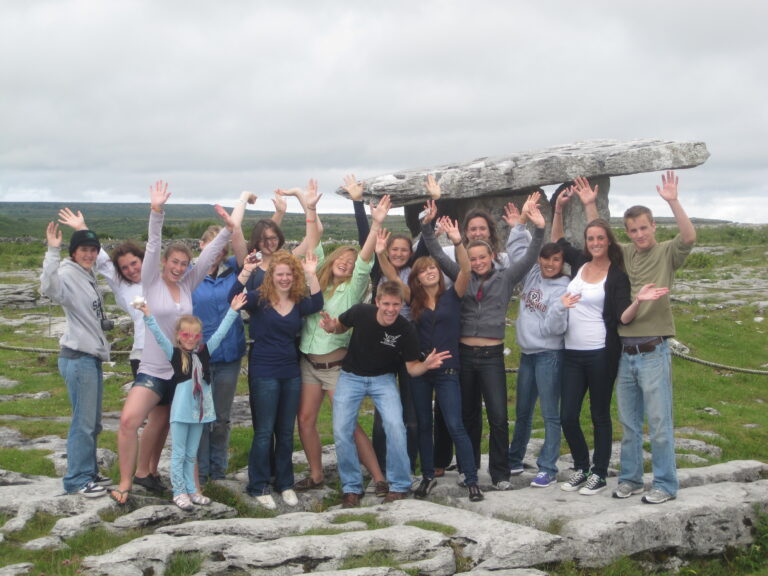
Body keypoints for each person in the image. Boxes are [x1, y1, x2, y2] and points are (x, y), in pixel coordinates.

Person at [111, 181, 236, 504]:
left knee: (169, 430)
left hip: (181, 375)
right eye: (175, 263)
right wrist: (156, 211)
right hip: (153, 369)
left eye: (184, 263)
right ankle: (125, 483)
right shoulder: (152, 280)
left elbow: (208, 256)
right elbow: (153, 245)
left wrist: (227, 229)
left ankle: (167, 480)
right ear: (165, 263)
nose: (179, 268)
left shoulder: (188, 282)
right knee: (129, 421)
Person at [576, 171, 695, 504]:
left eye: (644, 227)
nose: (639, 234)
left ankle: (666, 484)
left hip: (654, 350)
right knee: (628, 424)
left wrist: (673, 200)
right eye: (633, 230)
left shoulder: (668, 253)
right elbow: (601, 238)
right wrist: (589, 206)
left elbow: (688, 236)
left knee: (658, 423)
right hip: (625, 353)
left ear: (653, 226)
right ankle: (630, 478)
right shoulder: (625, 254)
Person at [552, 178, 671, 497]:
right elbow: (557, 243)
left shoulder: (617, 274)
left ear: (608, 241)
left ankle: (600, 472)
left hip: (601, 353)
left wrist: (639, 302)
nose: (594, 242)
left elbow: (621, 316)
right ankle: (581, 467)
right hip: (572, 352)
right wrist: (560, 210)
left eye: (600, 238)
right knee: (568, 415)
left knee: (599, 414)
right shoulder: (579, 263)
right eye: (590, 238)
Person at [420, 192, 546, 490]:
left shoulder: (506, 276)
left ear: (492, 256)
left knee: (499, 415)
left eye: (482, 257)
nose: (477, 263)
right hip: (464, 354)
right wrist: (428, 228)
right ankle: (469, 468)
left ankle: (500, 473)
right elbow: (437, 254)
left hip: (491, 356)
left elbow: (529, 258)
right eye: (472, 258)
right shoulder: (463, 277)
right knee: (468, 415)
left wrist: (538, 228)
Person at [57, 208, 169, 491]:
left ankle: (150, 470)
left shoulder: (158, 276)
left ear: (144, 261)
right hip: (143, 355)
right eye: (126, 267)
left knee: (163, 419)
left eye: (135, 263)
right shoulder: (121, 286)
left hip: (170, 355)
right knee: (140, 419)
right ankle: (137, 472)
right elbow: (100, 258)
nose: (131, 270)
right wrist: (82, 227)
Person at [319, 281, 451, 507]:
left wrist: (426, 365)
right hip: (352, 376)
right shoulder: (361, 312)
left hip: (383, 380)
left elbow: (411, 368)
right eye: (386, 304)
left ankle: (399, 485)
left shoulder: (405, 329)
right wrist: (332, 327)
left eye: (396, 305)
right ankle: (351, 488)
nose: (391, 309)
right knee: (342, 430)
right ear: (377, 302)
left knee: (395, 426)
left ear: (401, 305)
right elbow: (341, 325)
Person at [294, 179, 388, 494]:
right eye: (340, 260)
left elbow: (364, 261)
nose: (344, 265)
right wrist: (310, 209)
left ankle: (377, 477)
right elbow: (312, 241)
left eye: (348, 264)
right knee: (305, 420)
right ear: (331, 261)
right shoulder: (316, 280)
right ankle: (317, 474)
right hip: (309, 364)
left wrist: (375, 225)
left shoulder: (353, 289)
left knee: (346, 425)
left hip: (335, 367)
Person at [136, 293, 248, 510]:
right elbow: (159, 335)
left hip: (200, 411)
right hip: (181, 411)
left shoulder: (206, 352)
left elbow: (221, 332)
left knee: (191, 453)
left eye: (195, 335)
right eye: (186, 334)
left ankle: (192, 490)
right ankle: (179, 492)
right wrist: (148, 315)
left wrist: (233, 310)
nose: (190, 338)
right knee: (178, 453)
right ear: (178, 336)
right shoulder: (174, 353)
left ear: (199, 337)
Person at [230, 250, 323, 510]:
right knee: (264, 431)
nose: (284, 278)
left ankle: (285, 483)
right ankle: (258, 484)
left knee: (284, 432)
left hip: (290, 371)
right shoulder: (259, 298)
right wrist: (246, 270)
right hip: (264, 370)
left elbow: (317, 303)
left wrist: (311, 274)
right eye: (280, 274)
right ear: (272, 275)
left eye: (289, 274)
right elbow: (232, 298)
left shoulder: (298, 299)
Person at [405, 214, 484, 502]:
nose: (431, 272)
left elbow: (465, 268)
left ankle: (470, 477)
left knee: (454, 424)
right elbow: (390, 275)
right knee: (424, 425)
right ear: (416, 277)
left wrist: (457, 240)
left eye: (434, 269)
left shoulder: (453, 296)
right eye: (424, 270)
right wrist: (378, 251)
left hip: (448, 370)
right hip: (422, 370)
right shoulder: (412, 302)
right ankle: (427, 475)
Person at [504, 195, 570, 488]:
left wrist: (559, 307)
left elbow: (555, 328)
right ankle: (515, 459)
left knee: (550, 413)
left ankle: (548, 468)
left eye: (556, 260)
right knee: (522, 411)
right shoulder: (532, 274)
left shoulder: (564, 287)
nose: (549, 264)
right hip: (528, 354)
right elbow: (519, 250)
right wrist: (523, 222)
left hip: (549, 355)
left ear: (562, 262)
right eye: (545, 258)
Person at [41, 223, 110, 497]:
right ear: (73, 251)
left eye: (93, 250)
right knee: (82, 422)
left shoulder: (87, 274)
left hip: (90, 356)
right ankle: (77, 480)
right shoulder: (68, 274)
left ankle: (89, 472)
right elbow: (48, 288)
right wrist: (52, 251)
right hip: (78, 357)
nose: (89, 254)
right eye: (84, 249)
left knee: (92, 422)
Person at [193, 191, 252, 484]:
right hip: (198, 358)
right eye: (210, 246)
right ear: (201, 246)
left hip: (228, 356)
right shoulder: (189, 277)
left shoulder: (234, 273)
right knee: (199, 417)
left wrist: (242, 200)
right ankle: (200, 472)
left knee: (221, 418)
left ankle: (218, 471)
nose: (215, 252)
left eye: (221, 247)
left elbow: (238, 233)